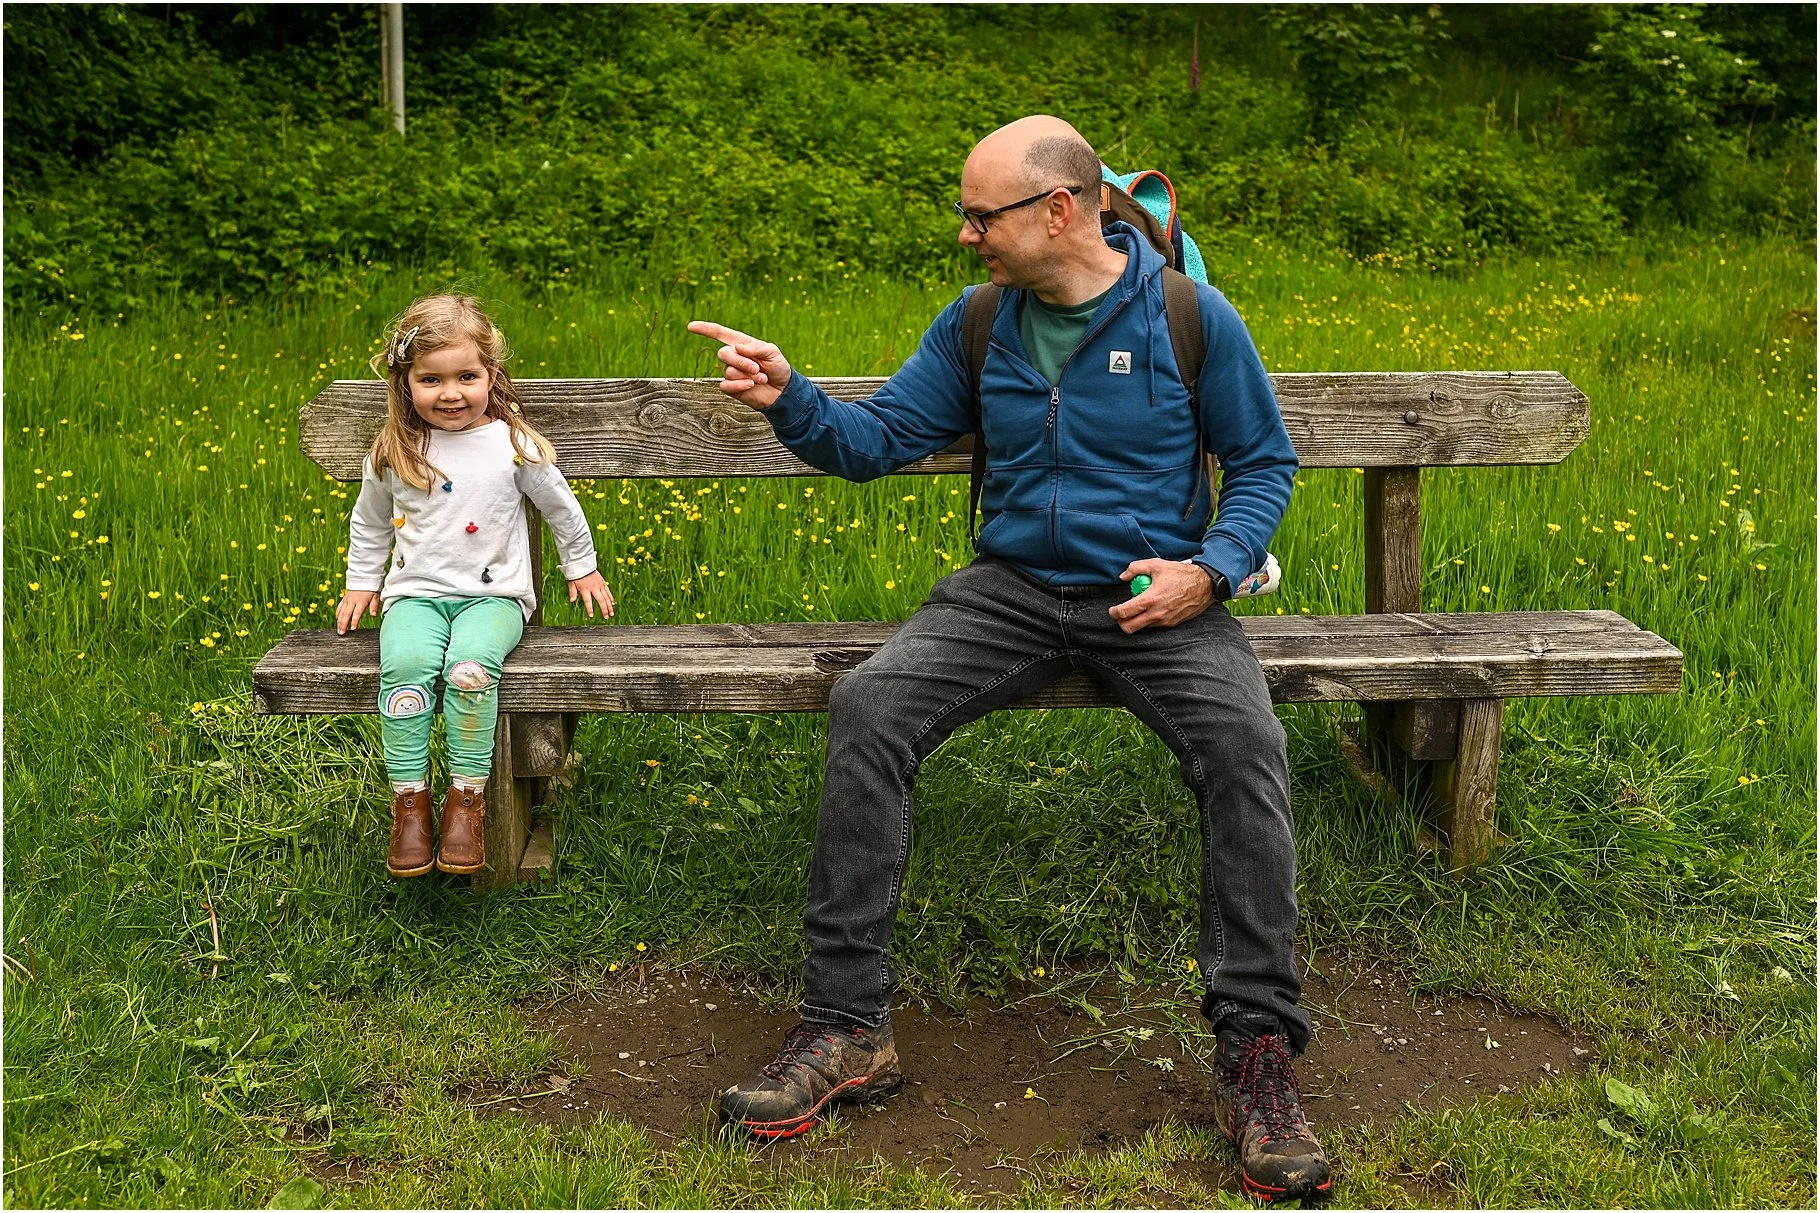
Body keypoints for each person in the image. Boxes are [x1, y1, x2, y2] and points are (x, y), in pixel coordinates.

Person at [687, 114, 1328, 1202]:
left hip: (1154, 602)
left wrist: (1208, 571)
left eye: (979, 216)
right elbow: (876, 441)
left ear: (1059, 210)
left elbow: (1263, 463)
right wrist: (789, 398)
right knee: (870, 706)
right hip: (1012, 594)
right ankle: (846, 1029)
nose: (965, 236)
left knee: (1242, 740)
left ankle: (1257, 1054)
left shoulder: (1184, 316)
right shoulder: (978, 321)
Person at [336, 294, 613, 879]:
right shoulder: (395, 450)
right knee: (405, 665)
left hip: (495, 600)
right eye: (431, 379)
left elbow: (562, 511)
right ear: (405, 382)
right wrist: (362, 582)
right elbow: (368, 521)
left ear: (492, 377)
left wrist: (580, 567)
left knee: (469, 669)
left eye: (467, 376)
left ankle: (467, 799)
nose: (451, 393)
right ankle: (409, 802)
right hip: (415, 597)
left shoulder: (515, 447)